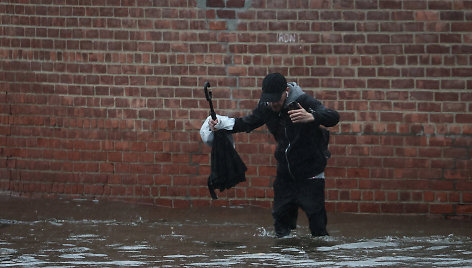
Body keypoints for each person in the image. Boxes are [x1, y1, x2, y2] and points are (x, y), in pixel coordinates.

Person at [208, 73, 339, 237]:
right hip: (285, 175)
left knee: (318, 229)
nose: (273, 103)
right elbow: (247, 122)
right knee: (281, 228)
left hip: (311, 174)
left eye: (276, 98)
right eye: (269, 99)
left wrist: (312, 116)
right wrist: (221, 124)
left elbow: (334, 117)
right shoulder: (266, 106)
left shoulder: (303, 102)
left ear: (286, 91)